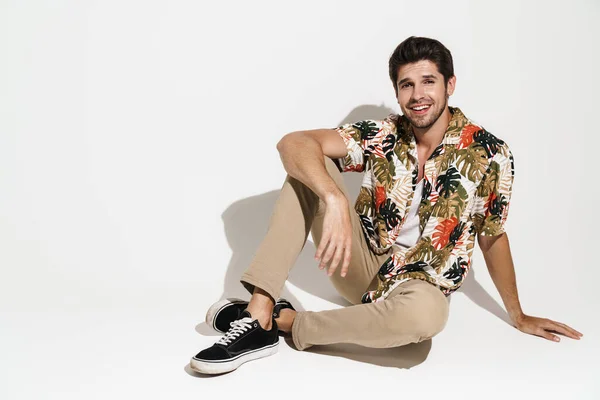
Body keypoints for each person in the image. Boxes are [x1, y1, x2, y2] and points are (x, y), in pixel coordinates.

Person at [189, 36, 583, 375]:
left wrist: (517, 314)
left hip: (420, 283)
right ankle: (259, 307)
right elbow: (292, 143)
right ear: (397, 92)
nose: (418, 95)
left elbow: (492, 236)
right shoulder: (383, 133)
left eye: (428, 81)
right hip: (360, 263)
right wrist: (334, 199)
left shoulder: (490, 154)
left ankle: (282, 322)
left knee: (421, 328)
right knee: (312, 165)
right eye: (406, 85)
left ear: (450, 84)